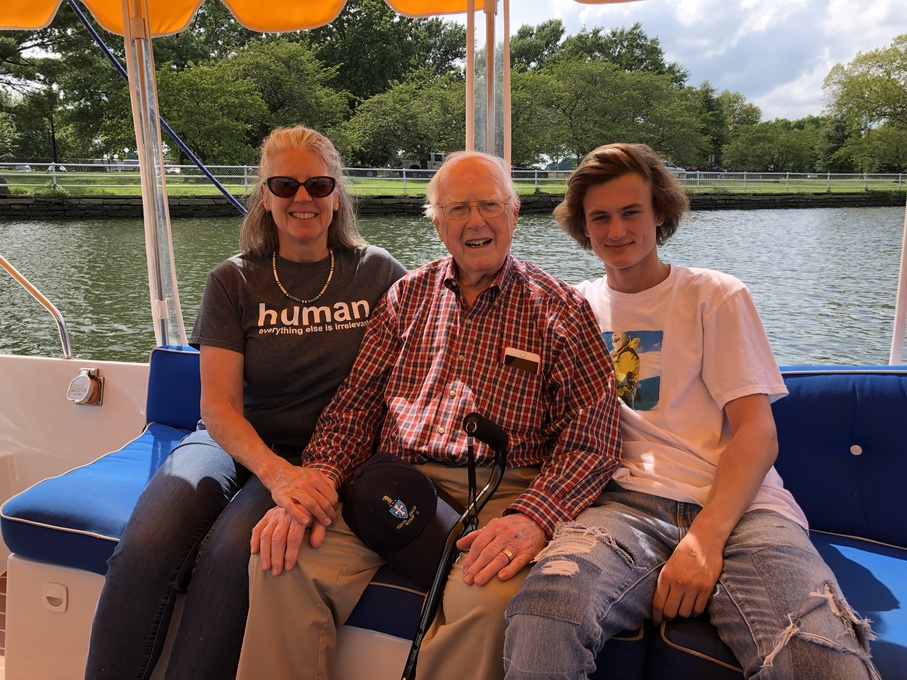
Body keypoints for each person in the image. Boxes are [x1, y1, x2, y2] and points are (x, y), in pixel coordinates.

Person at [235, 151, 623, 680]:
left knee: (485, 603)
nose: (476, 222)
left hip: (504, 490)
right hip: (396, 483)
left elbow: (592, 442)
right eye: (458, 209)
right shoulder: (404, 298)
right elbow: (354, 408)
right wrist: (318, 480)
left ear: (513, 213)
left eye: (489, 204)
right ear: (438, 224)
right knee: (283, 562)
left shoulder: (560, 309)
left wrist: (533, 518)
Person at [502, 143, 879, 679]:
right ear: (582, 228)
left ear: (659, 211)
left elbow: (757, 432)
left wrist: (705, 538)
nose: (616, 231)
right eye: (600, 217)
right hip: (620, 506)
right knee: (544, 615)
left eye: (631, 212)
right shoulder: (572, 307)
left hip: (743, 509)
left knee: (817, 653)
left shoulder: (715, 296)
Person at [84, 126, 407, 680]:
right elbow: (220, 406)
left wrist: (298, 476)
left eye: (317, 184)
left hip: (324, 450)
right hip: (231, 437)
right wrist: (276, 475)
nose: (301, 198)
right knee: (145, 545)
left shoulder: (378, 272)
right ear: (264, 195)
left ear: (336, 194)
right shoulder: (233, 280)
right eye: (284, 184)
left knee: (235, 555)